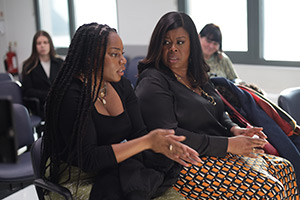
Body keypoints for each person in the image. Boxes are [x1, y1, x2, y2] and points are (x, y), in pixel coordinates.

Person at [135, 11, 299, 199]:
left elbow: (217, 110)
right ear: (158, 45)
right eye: (166, 42)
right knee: (270, 189)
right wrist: (228, 144)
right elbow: (170, 136)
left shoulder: (197, 74)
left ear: (192, 44)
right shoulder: (153, 81)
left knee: (285, 168)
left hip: (216, 150)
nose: (173, 48)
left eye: (180, 42)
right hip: (181, 163)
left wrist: (234, 129)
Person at [40, 23, 201, 200]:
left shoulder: (121, 86)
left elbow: (138, 133)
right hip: (77, 176)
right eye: (114, 54)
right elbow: (88, 159)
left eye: (121, 54)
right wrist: (147, 142)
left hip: (117, 169)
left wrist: (165, 146)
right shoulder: (71, 95)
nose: (123, 60)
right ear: (90, 58)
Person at [22, 30, 63, 118]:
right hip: (41, 106)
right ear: (35, 46)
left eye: (45, 42)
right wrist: (48, 95)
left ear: (50, 44)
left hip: (60, 103)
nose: (42, 46)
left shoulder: (60, 63)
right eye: (39, 43)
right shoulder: (28, 66)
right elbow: (28, 91)